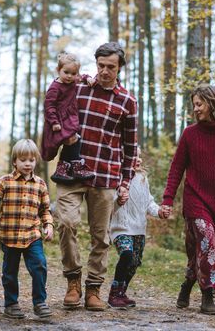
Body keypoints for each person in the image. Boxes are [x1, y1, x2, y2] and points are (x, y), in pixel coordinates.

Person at [55, 41, 138, 311]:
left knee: (100, 237)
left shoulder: (127, 101)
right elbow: (53, 94)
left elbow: (130, 147)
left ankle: (93, 289)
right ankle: (73, 282)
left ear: (120, 68)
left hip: (105, 176)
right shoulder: (78, 89)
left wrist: (125, 183)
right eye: (100, 65)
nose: (104, 71)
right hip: (71, 172)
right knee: (66, 223)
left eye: (110, 67)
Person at [161, 84, 215, 315]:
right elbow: (176, 169)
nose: (195, 109)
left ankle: (187, 284)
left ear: (212, 104)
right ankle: (208, 297)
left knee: (207, 251)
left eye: (199, 104)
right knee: (208, 245)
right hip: (195, 201)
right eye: (194, 105)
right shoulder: (190, 134)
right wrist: (168, 199)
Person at [0, 139, 54, 319]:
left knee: (39, 266)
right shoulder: (5, 182)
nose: (28, 164)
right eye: (23, 160)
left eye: (31, 160)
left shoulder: (40, 184)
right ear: (15, 161)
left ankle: (39, 302)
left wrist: (48, 225)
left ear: (36, 161)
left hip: (32, 235)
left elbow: (45, 210)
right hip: (10, 236)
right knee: (10, 272)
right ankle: (11, 304)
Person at [107, 149, 169, 309]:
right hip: (121, 227)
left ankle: (122, 292)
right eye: (134, 156)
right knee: (126, 255)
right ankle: (114, 293)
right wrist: (118, 201)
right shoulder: (117, 178)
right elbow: (109, 204)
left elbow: (148, 202)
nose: (139, 159)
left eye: (140, 156)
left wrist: (159, 211)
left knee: (134, 262)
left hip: (139, 229)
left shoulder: (142, 178)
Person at [41, 51, 95, 183]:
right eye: (66, 72)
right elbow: (49, 106)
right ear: (58, 70)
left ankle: (63, 168)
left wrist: (87, 78)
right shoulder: (55, 87)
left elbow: (81, 77)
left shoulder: (73, 80)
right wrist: (54, 122)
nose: (70, 76)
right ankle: (76, 166)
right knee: (74, 139)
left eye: (73, 73)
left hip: (69, 118)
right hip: (60, 120)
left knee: (73, 140)